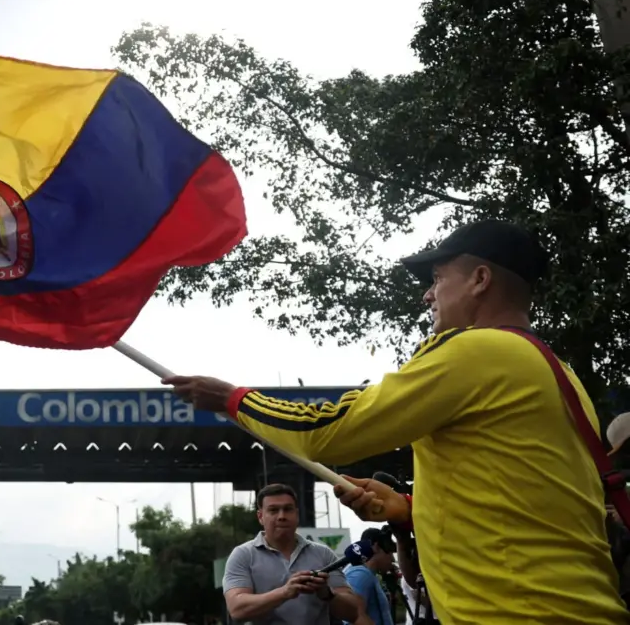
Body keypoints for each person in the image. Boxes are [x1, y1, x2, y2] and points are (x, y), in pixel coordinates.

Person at [163, 220, 629, 624]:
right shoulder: (556, 371)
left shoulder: (477, 352)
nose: (428, 294)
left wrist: (232, 398)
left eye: (437, 277)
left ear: (480, 279)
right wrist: (409, 506)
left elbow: (326, 430)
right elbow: (524, 500)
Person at [221, 482, 372, 625]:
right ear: (260, 517)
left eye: (288, 509)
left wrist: (328, 594)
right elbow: (236, 609)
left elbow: (353, 613)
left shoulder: (323, 554)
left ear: (296, 514)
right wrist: (285, 592)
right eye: (273, 510)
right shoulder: (243, 555)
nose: (281, 516)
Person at [344, 528, 394, 625]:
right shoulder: (360, 573)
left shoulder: (367, 574)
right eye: (390, 551)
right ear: (376, 547)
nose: (392, 558)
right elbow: (355, 617)